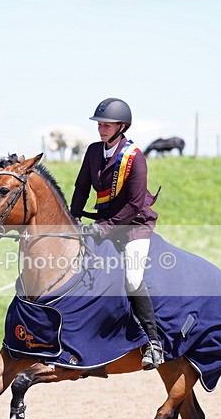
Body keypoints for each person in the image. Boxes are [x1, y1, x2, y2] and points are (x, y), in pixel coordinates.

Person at [70, 97, 164, 369]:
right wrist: (74, 217)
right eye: (99, 124)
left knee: (133, 279)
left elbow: (135, 204)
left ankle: (153, 342)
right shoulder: (92, 151)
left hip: (134, 226)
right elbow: (81, 187)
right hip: (102, 223)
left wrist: (104, 228)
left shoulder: (135, 158)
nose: (101, 128)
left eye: (107, 125)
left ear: (122, 126)